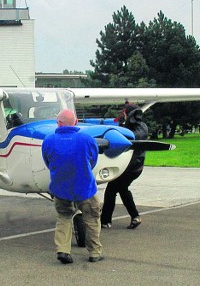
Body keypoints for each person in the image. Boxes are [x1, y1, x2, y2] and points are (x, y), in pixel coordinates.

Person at [42, 109, 104, 264]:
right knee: (92, 219)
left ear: (58, 123)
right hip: (85, 188)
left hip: (60, 188)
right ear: (76, 122)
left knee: (63, 217)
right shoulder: (87, 139)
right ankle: (94, 252)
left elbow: (48, 162)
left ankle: (63, 250)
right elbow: (93, 160)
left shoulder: (48, 140)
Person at [101, 104, 148, 230]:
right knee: (123, 189)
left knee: (110, 191)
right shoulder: (143, 126)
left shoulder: (128, 132)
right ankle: (135, 216)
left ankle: (105, 221)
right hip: (138, 167)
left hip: (127, 168)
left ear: (129, 115)